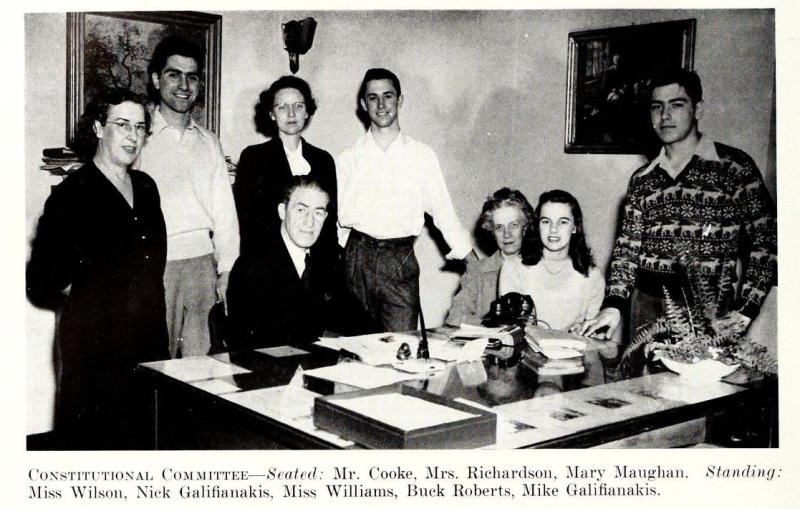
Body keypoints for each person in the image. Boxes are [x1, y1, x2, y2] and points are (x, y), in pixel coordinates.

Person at [582, 69, 777, 343]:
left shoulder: (735, 167)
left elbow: (766, 240)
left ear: (698, 109)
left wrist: (748, 308)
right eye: (656, 107)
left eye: (676, 104)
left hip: (710, 308)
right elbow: (627, 250)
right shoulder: (642, 180)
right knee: (642, 384)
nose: (665, 116)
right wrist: (614, 304)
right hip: (646, 306)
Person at [26, 88, 169, 449]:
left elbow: (155, 264)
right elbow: (40, 280)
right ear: (98, 128)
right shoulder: (72, 195)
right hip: (95, 352)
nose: (133, 136)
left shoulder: (147, 188)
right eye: (122, 125)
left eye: (140, 127)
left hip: (148, 342)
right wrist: (92, 297)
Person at [337, 68, 472, 332]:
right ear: (363, 104)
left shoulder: (422, 156)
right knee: (355, 347)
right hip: (356, 257)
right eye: (373, 98)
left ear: (400, 100)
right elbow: (337, 226)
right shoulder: (347, 159)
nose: (381, 105)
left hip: (399, 258)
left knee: (401, 346)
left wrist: (474, 262)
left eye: (388, 96)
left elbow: (443, 212)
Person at [137, 36, 240, 358]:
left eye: (192, 76)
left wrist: (226, 271)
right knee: (152, 363)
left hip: (201, 268)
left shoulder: (209, 142)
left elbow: (225, 214)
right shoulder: (138, 136)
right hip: (153, 267)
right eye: (174, 74)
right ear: (156, 79)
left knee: (203, 368)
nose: (184, 85)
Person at [226, 176, 373, 350]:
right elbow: (251, 341)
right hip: (270, 371)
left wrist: (383, 344)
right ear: (282, 211)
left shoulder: (326, 262)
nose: (309, 222)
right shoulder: (252, 266)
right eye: (301, 210)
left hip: (316, 370)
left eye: (318, 212)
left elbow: (355, 317)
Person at [235, 76, 338, 256]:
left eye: (298, 106)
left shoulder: (323, 160)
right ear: (271, 114)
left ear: (307, 111)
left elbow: (329, 224)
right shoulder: (253, 158)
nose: (291, 114)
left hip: (316, 264)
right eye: (282, 107)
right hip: (268, 262)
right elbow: (246, 224)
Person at [499, 189, 605, 332]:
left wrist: (583, 331)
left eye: (562, 222)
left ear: (575, 227)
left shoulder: (592, 276)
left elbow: (596, 335)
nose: (553, 229)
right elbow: (509, 328)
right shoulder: (513, 268)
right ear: (538, 225)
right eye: (546, 221)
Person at [445, 188, 534, 326]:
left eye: (514, 225)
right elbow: (455, 319)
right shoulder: (477, 271)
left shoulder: (542, 267)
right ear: (491, 230)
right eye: (499, 227)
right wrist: (493, 324)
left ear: (525, 227)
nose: (506, 234)